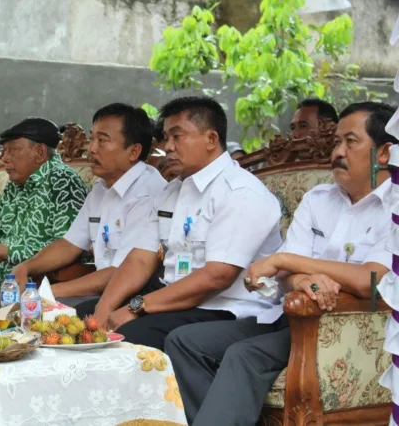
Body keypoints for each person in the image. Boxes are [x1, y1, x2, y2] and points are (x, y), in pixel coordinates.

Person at [165, 101, 396, 426]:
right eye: (335, 142)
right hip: (288, 314)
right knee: (184, 341)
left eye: (350, 142)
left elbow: (371, 279)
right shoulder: (319, 199)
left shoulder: (394, 207)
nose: (338, 152)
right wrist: (300, 280)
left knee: (242, 355)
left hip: (343, 328)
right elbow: (286, 276)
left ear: (384, 153)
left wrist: (285, 260)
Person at [75, 96, 282, 350]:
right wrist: (103, 309)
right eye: (166, 138)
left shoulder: (240, 192)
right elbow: (140, 258)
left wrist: (136, 307)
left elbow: (216, 278)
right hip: (174, 298)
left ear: (211, 139)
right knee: (80, 318)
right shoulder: (172, 191)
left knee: (129, 337)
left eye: (177, 136)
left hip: (224, 306)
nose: (168, 147)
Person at [12, 103, 167, 303]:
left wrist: (47, 294)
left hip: (132, 298)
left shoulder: (148, 194)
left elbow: (122, 272)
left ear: (134, 151)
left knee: (41, 312)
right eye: (92, 138)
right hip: (99, 290)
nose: (91, 148)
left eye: (102, 141)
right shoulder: (101, 188)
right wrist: (25, 267)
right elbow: (70, 244)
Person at [0, 117, 88, 291]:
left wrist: (7, 252)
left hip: (35, 287)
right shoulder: (14, 185)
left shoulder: (63, 182)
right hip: (1, 282)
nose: (4, 159)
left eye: (13, 151)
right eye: (4, 151)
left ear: (39, 152)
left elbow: (67, 248)